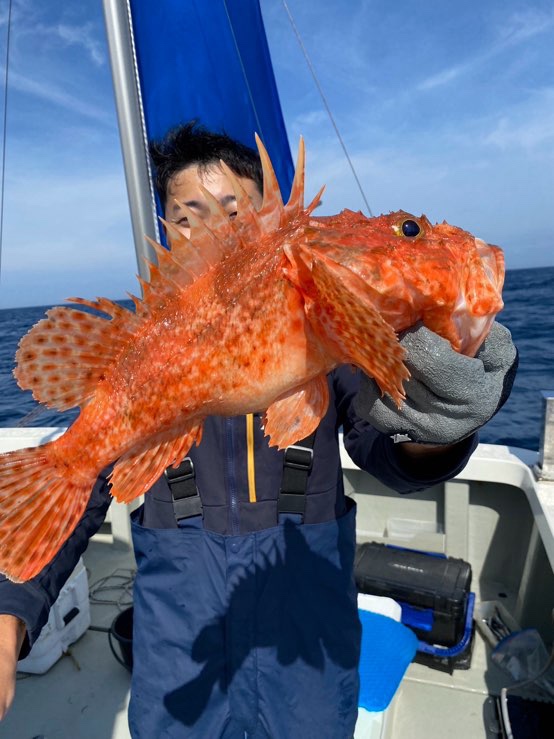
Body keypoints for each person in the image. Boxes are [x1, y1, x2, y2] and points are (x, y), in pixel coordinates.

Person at [0, 122, 518, 738]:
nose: (211, 228)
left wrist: (445, 425)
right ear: (166, 228)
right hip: (178, 654)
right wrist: (8, 625)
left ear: (270, 222)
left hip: (307, 653)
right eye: (186, 214)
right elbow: (74, 498)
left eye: (231, 208)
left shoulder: (337, 343)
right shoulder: (147, 349)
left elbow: (389, 451)